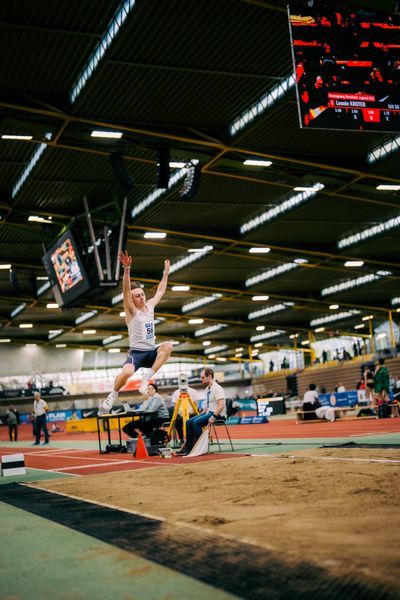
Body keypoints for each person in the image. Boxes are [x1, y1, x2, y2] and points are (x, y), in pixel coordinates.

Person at [101, 250, 172, 412]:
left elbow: (160, 290)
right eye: (137, 296)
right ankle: (113, 393)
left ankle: (146, 380)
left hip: (151, 351)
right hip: (137, 353)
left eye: (142, 294)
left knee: (168, 345)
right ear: (132, 300)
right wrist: (127, 269)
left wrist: (165, 273)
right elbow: (126, 291)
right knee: (126, 373)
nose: (142, 297)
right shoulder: (132, 311)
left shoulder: (150, 306)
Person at [178, 367, 226, 456]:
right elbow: (208, 405)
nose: (201, 379)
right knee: (189, 422)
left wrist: (214, 416)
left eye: (203, 377)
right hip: (209, 412)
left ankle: (201, 449)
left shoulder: (217, 388)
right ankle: (189, 449)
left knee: (196, 422)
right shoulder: (208, 389)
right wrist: (202, 413)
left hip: (218, 414)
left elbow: (221, 405)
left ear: (210, 376)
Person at [170, 380, 199, 445]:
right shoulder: (176, 393)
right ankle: (181, 439)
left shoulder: (193, 391)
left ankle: (194, 439)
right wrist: (181, 413)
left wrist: (189, 413)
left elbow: (196, 406)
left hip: (191, 413)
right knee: (177, 421)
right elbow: (175, 407)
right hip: (180, 414)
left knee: (193, 421)